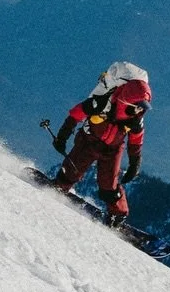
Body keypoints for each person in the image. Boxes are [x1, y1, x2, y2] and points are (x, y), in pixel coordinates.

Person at [51, 61, 151, 225]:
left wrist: (135, 164)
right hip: (88, 141)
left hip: (112, 149)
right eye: (137, 107)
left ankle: (118, 215)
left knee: (108, 186)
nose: (140, 111)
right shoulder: (101, 103)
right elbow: (76, 114)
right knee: (72, 170)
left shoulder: (135, 120)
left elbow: (136, 142)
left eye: (142, 108)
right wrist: (62, 136)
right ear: (126, 101)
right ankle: (59, 188)